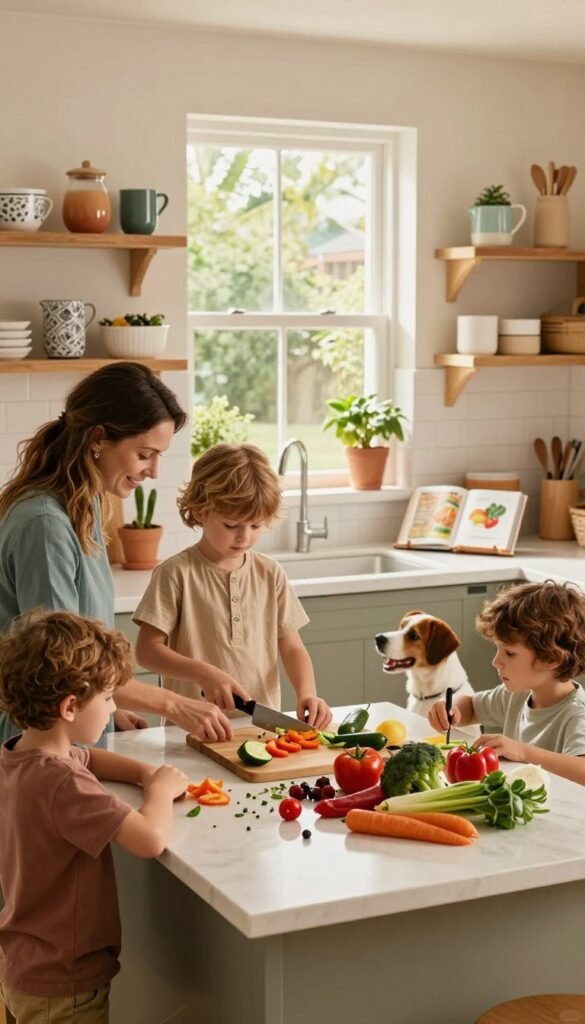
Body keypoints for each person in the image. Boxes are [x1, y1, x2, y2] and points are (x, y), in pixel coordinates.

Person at [0, 361, 232, 745]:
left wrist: (108, 707)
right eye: (144, 454)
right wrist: (176, 705)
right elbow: (62, 668)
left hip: (71, 729)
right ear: (98, 440)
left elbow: (84, 646)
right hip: (34, 744)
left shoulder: (85, 503)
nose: (154, 471)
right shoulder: (44, 524)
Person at [0, 609, 189, 1024]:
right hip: (65, 984)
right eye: (107, 698)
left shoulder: (21, 754)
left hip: (23, 963)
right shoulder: (63, 783)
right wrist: (159, 791)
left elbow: (88, 757)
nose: (112, 707)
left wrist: (143, 772)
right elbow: (148, 839)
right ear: (70, 706)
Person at [133, 443, 332, 729]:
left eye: (255, 526)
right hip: (191, 729)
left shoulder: (270, 573)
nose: (244, 537)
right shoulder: (175, 573)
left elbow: (292, 648)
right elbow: (147, 651)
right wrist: (203, 673)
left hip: (259, 729)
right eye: (231, 525)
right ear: (199, 511)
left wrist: (308, 693)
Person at [428, 580, 585, 786]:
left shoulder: (576, 714)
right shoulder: (515, 695)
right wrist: (450, 708)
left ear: (552, 659)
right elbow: (472, 708)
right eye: (498, 649)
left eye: (509, 653)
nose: (496, 662)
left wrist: (522, 752)